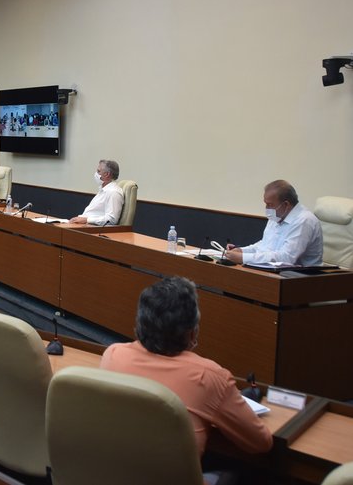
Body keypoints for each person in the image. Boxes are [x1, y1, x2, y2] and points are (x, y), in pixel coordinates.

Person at [100, 276, 273, 457]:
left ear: (141, 322)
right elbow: (261, 443)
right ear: (192, 332)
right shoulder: (210, 377)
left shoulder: (113, 354)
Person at [225, 180, 323, 266]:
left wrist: (243, 258)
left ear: (286, 204)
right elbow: (265, 246)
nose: (267, 209)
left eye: (270, 205)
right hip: (277, 274)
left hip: (303, 279)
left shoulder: (304, 220)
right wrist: (241, 251)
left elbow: (286, 258)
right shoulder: (276, 216)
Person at [69, 159, 124, 225]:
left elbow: (111, 220)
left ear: (106, 174)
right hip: (84, 225)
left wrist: (87, 220)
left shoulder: (114, 192)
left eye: (98, 171)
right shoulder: (103, 190)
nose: (96, 174)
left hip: (92, 229)